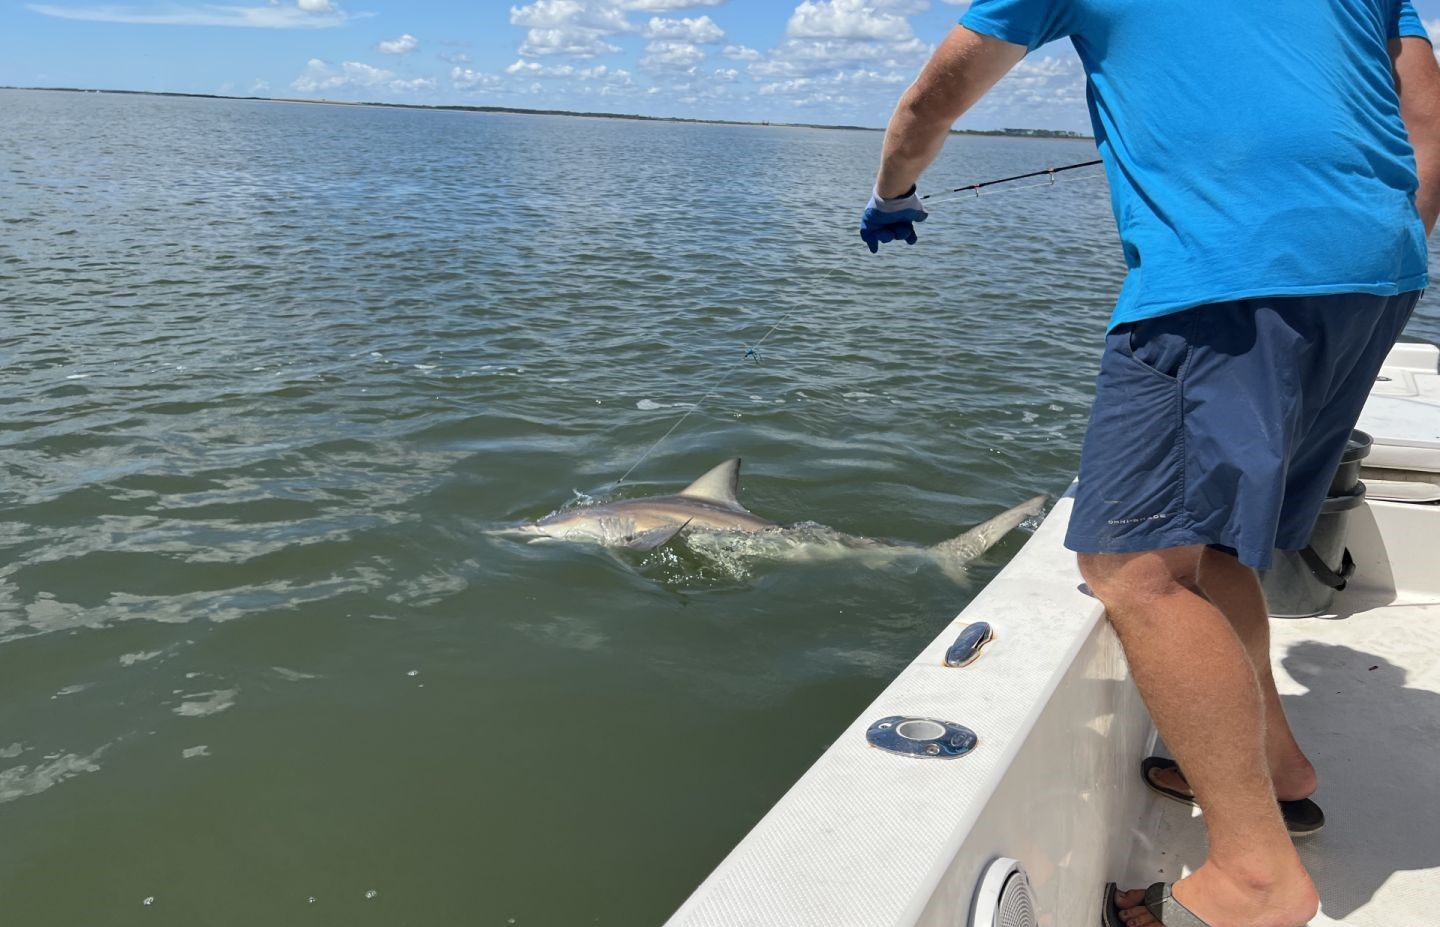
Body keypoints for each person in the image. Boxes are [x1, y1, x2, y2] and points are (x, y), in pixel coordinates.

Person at [862, 3, 1440, 927]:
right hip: (1378, 268)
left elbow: (935, 97)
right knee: (1211, 541)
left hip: (1225, 272)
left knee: (1130, 566)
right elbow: (1426, 112)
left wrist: (893, 194)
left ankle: (1256, 877)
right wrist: (1373, 245)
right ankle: (1281, 767)